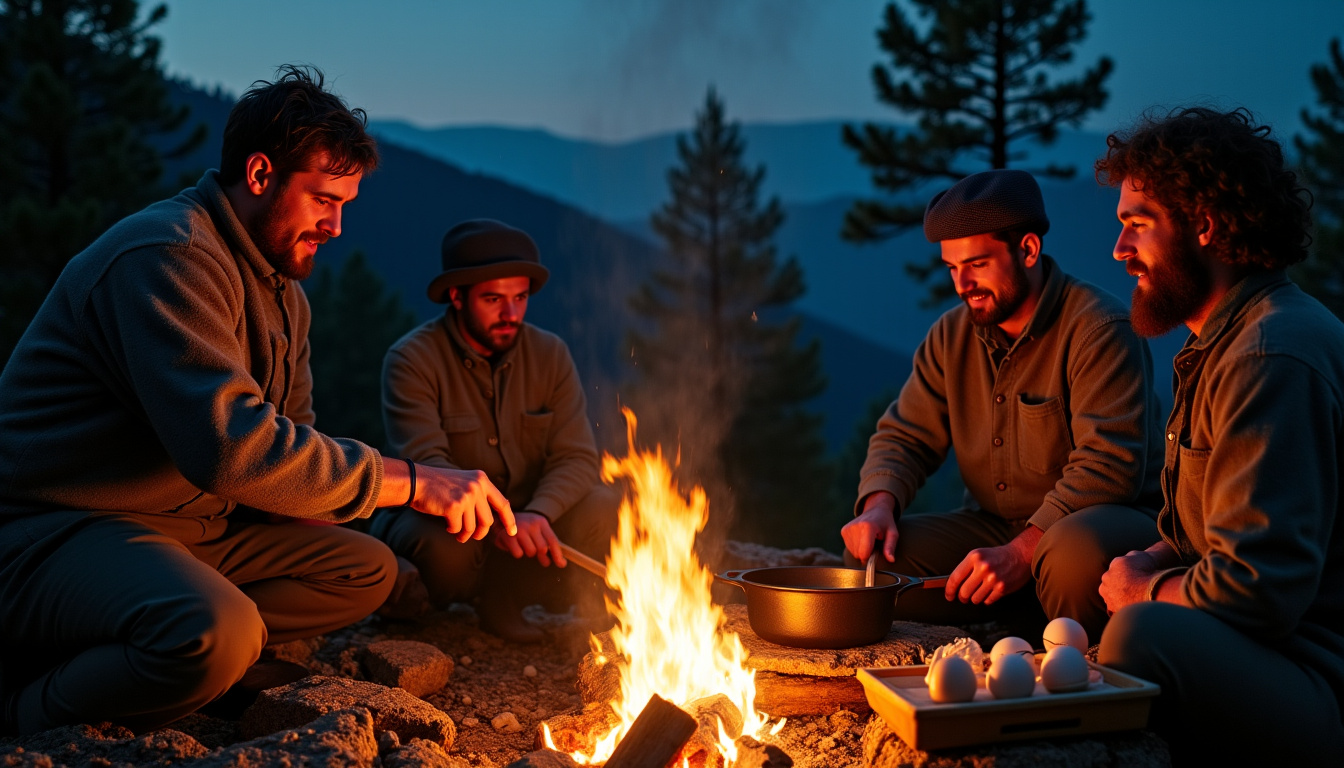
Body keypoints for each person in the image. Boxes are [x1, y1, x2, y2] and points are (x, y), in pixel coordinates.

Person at [0, 67, 515, 736]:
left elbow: (289, 436)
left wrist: (326, 502)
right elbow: (233, 451)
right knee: (216, 630)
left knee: (365, 571)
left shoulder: (282, 293)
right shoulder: (169, 258)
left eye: (346, 205)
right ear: (262, 174)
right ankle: (27, 710)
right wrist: (414, 483)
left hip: (189, 533)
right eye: (324, 200)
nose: (335, 225)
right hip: (57, 534)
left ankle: (167, 654)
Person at [1096, 107, 1344, 763]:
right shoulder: (1221, 340)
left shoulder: (1270, 357)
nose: (1120, 250)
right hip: (1265, 644)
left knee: (1139, 636)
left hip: (1315, 675)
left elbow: (1257, 590)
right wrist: (1155, 555)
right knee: (1081, 553)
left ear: (1204, 226)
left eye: (1137, 226)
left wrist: (1144, 591)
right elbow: (1212, 524)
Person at [841, 169, 1165, 640]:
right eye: (952, 268)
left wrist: (1020, 554)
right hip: (994, 529)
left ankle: (1076, 662)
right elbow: (904, 436)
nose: (961, 284)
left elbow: (1109, 467)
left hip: (1103, 530)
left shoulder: (1099, 328)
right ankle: (1020, 615)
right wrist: (878, 505)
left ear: (1028, 250)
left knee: (1069, 556)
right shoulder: (950, 337)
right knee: (870, 560)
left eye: (976, 264)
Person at [372, 219, 618, 643]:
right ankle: (426, 599)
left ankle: (514, 597)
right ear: (456, 296)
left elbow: (577, 457)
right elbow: (429, 467)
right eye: (493, 299)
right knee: (444, 549)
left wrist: (539, 512)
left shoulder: (550, 354)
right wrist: (504, 521)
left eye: (520, 297)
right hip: (450, 519)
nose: (511, 314)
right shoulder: (411, 360)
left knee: (609, 505)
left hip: (532, 518)